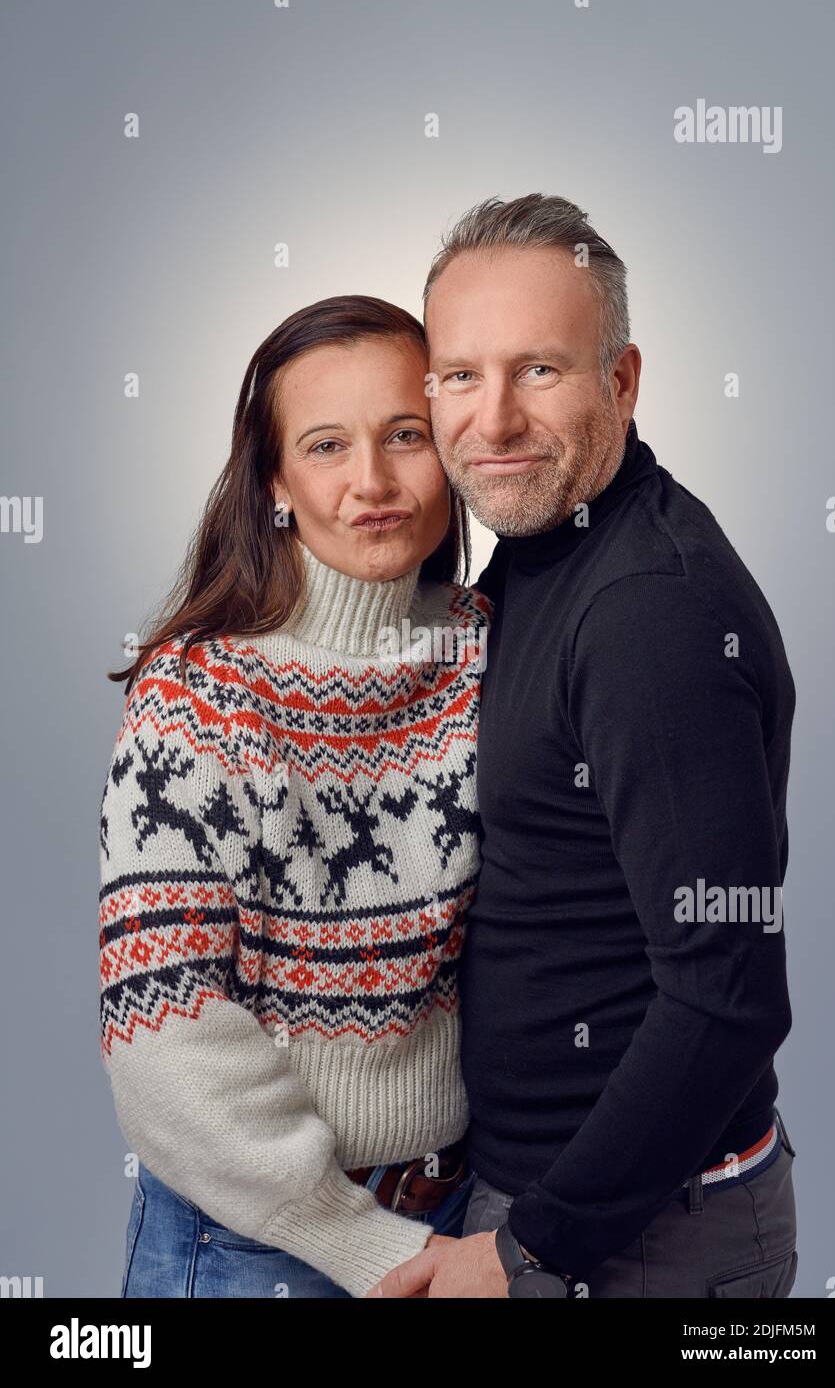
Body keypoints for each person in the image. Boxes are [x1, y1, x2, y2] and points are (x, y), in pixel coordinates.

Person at [371, 194, 797, 1299]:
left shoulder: (646, 614)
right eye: (461, 376)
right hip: (561, 1208)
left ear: (621, 380)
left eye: (540, 371)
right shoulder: (536, 549)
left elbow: (727, 992)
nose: (493, 419)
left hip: (637, 1237)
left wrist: (529, 1250)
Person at [98, 295, 491, 1298]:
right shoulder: (198, 695)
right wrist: (360, 1242)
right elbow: (165, 1037)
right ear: (275, 479)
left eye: (405, 435)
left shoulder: (490, 649)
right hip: (256, 1242)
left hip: (462, 1213)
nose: (371, 482)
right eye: (325, 446)